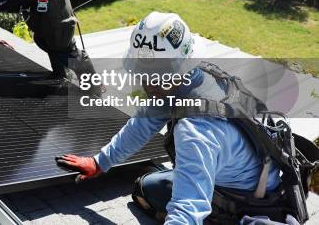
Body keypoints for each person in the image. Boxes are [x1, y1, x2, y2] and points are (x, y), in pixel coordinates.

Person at [55, 12, 314, 224]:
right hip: (239, 178)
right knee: (147, 187)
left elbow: (186, 211)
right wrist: (100, 162)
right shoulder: (194, 77)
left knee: (178, 203)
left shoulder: (195, 129)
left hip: (252, 202)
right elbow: (143, 123)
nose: (146, 81)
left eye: (154, 74)